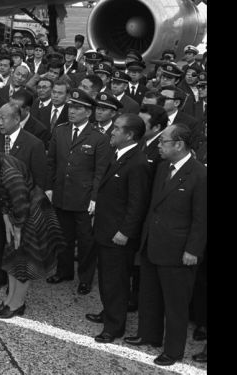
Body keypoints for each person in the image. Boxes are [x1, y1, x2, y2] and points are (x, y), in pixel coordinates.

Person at [124, 124, 207, 367]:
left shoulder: (199, 174)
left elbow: (202, 218)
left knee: (176, 304)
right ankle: (149, 334)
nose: (158, 146)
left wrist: (193, 250)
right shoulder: (162, 168)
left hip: (178, 250)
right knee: (149, 294)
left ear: (179, 145)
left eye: (163, 142)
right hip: (153, 244)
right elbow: (153, 206)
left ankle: (173, 350)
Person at [0, 138, 64, 319]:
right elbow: (3, 196)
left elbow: (20, 202)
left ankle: (17, 304)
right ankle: (9, 300)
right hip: (19, 213)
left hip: (31, 215)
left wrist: (17, 227)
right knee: (11, 258)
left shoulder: (9, 171)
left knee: (23, 261)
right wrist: (6, 219)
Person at [84, 114, 151, 344]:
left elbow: (137, 203)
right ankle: (109, 311)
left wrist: (125, 231)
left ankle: (114, 326)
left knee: (116, 280)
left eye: (117, 129)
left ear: (130, 135)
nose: (112, 131)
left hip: (118, 235)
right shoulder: (118, 155)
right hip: (106, 229)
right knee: (107, 277)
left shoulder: (137, 162)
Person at [45, 89, 111, 295]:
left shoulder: (99, 138)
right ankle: (64, 271)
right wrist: (49, 188)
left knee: (85, 242)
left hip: (83, 199)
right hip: (61, 194)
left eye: (78, 108)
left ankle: (85, 278)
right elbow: (51, 163)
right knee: (62, 237)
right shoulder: (60, 131)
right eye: (71, 107)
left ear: (88, 112)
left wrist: (94, 198)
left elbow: (100, 171)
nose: (72, 111)